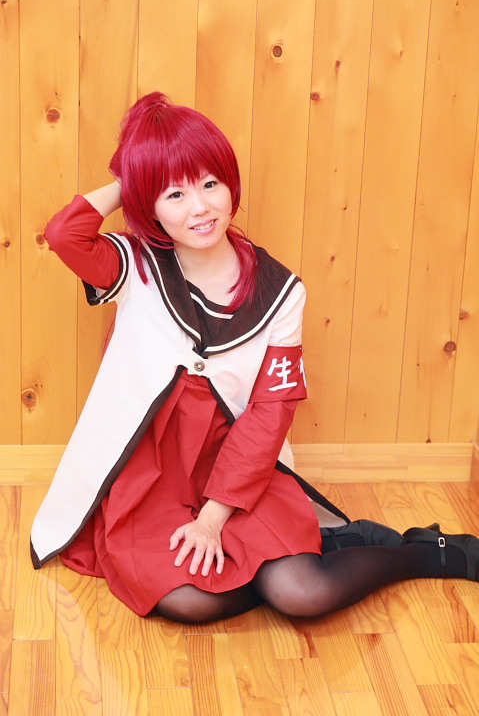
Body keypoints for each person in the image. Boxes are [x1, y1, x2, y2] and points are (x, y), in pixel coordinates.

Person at [30, 92, 479, 623]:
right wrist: (134, 176)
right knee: (190, 601)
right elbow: (64, 235)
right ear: (148, 205)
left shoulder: (281, 292)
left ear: (230, 184)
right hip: (151, 474)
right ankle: (325, 546)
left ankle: (426, 553)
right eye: (174, 194)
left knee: (303, 594)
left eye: (210, 184)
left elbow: (270, 414)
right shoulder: (135, 265)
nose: (199, 208)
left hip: (239, 469)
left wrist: (214, 518)